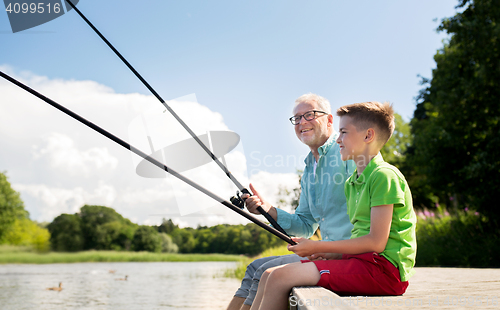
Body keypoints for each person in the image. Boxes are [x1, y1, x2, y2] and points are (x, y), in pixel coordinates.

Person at [249, 101, 417, 310]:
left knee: (280, 277)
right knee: (268, 274)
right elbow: (359, 236)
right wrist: (330, 254)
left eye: (344, 132)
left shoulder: (384, 176)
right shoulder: (352, 182)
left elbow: (376, 243)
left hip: (384, 272)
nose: (337, 140)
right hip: (361, 262)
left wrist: (318, 246)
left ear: (368, 136)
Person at [226, 93, 355, 310]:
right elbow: (305, 225)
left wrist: (331, 250)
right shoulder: (309, 169)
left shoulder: (346, 153)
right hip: (324, 253)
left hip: (345, 256)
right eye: (297, 118)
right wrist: (268, 210)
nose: (302, 122)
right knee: (253, 268)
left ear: (330, 120)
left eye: (310, 115)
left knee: (261, 272)